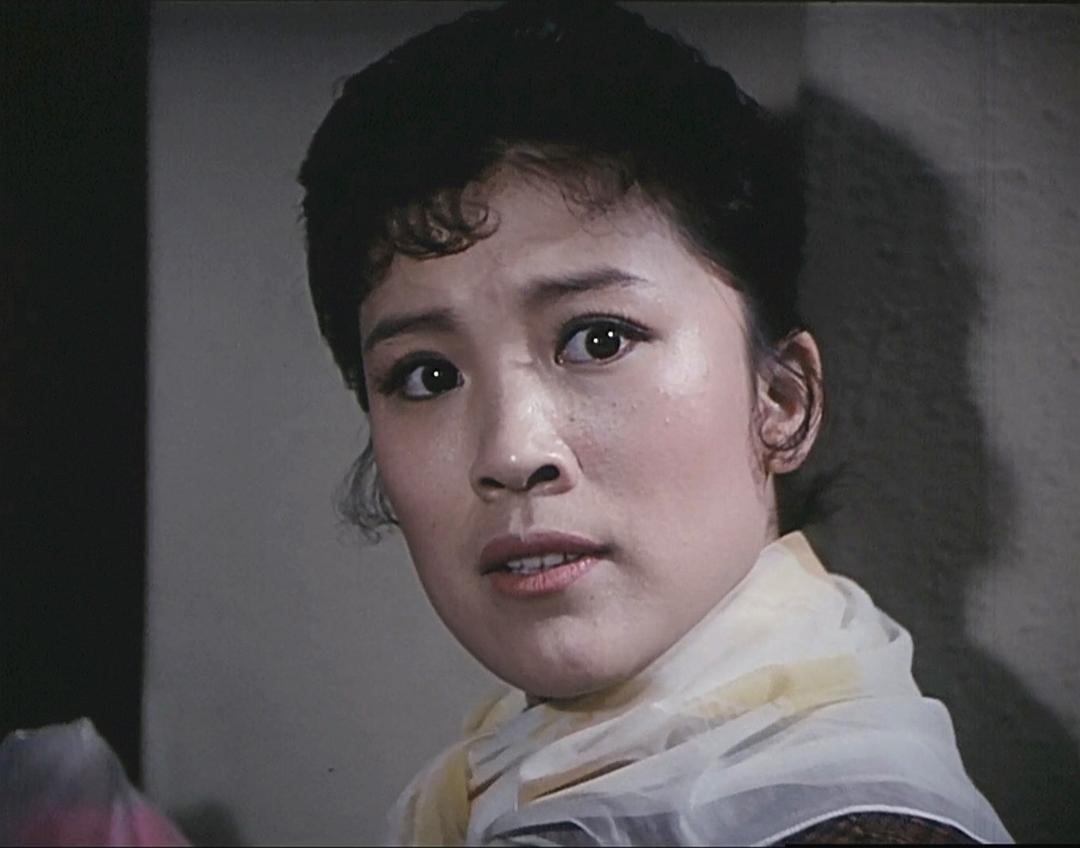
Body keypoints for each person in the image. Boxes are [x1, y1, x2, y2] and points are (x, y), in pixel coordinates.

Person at [298, 1, 1011, 844]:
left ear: (781, 399)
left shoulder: (853, 822)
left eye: (598, 339)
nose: (512, 452)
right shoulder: (500, 784)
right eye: (428, 375)